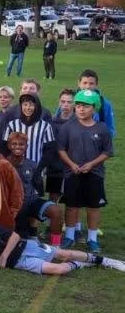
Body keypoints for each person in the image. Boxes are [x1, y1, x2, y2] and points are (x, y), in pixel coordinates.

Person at [0, 205, 125, 275]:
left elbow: (15, 235)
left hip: (25, 248)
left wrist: (4, 256)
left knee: (64, 254)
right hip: (18, 263)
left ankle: (106, 261)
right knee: (59, 270)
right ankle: (80, 264)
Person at [57, 89, 112, 252]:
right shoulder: (67, 127)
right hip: (72, 174)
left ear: (94, 108)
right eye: (79, 105)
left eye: (86, 106)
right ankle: (69, 236)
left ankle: (92, 239)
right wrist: (71, 164)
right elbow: (61, 149)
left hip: (95, 174)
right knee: (72, 206)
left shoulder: (102, 128)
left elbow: (107, 151)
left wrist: (92, 164)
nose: (81, 109)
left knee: (93, 207)